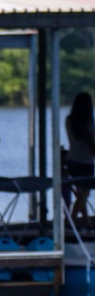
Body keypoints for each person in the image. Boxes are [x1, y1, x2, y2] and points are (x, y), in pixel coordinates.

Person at [64, 92, 95, 227]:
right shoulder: (89, 121)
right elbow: (91, 141)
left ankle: (87, 221)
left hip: (72, 159)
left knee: (81, 193)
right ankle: (70, 221)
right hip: (86, 161)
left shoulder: (69, 119)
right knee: (84, 195)